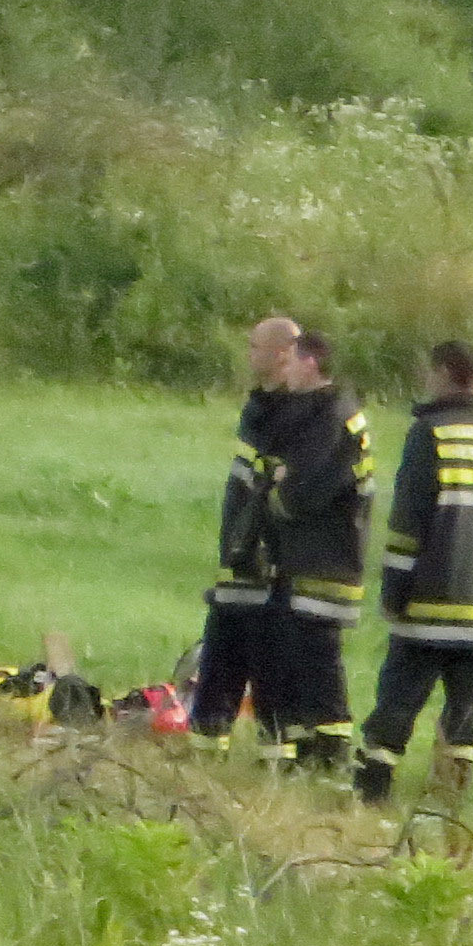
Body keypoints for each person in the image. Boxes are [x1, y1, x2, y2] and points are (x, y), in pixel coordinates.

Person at [353, 340, 473, 806]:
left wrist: (394, 591)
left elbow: (407, 526)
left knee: (397, 702)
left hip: (431, 603)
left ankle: (372, 794)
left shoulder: (429, 433)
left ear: (442, 373)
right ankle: (450, 799)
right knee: (465, 712)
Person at [263, 329, 375, 773]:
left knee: (316, 652)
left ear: (310, 364)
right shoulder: (331, 411)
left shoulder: (328, 418)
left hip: (326, 552)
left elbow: (303, 491)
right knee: (301, 649)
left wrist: (277, 493)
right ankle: (310, 744)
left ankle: (329, 750)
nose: (284, 371)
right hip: (321, 551)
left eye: (290, 362)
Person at [191, 315, 304, 745]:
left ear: (281, 354)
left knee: (267, 667)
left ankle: (273, 751)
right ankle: (207, 742)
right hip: (238, 556)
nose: (249, 354)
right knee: (220, 659)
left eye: (255, 347)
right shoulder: (258, 407)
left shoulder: (294, 412)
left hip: (266, 563)